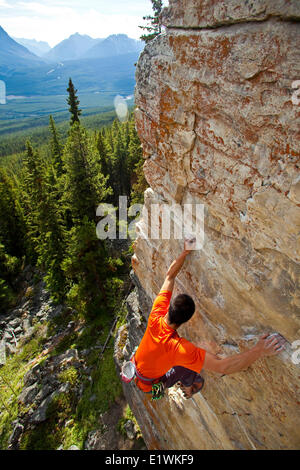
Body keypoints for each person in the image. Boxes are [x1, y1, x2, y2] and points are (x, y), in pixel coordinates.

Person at [132, 239, 285, 399]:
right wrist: (259, 350)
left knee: (191, 359)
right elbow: (223, 367)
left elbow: (170, 276)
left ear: (169, 307)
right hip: (152, 384)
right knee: (183, 371)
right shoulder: (179, 349)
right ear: (186, 321)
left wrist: (185, 252)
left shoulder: (156, 315)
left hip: (137, 367)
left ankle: (183, 380)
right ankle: (188, 385)